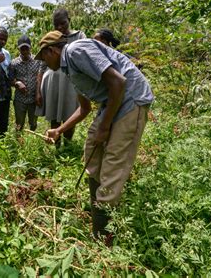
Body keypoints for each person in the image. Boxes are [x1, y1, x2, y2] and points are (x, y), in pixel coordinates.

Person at [35, 30, 154, 242]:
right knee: (92, 147)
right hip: (112, 103)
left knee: (113, 163)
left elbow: (118, 82)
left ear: (51, 50)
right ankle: (98, 211)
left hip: (131, 101)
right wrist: (58, 130)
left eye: (43, 57)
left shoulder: (75, 50)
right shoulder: (70, 70)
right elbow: (84, 109)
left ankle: (103, 236)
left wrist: (105, 127)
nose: (43, 62)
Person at [36, 9, 86, 148]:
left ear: (69, 20)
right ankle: (56, 147)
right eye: (56, 25)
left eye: (63, 23)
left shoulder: (79, 36)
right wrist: (38, 91)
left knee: (70, 113)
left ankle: (68, 147)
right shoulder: (52, 37)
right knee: (54, 116)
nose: (60, 27)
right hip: (54, 83)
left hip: (71, 83)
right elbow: (42, 65)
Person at [9, 35, 43, 132]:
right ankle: (20, 142)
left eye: (26, 48)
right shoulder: (14, 63)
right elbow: (10, 79)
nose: (24, 51)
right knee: (19, 124)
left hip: (33, 98)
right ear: (18, 49)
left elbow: (39, 78)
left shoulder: (37, 61)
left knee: (33, 123)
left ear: (30, 47)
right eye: (22, 49)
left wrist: (38, 94)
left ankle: (31, 141)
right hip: (20, 99)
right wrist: (17, 83)